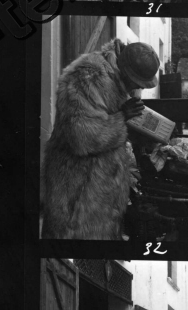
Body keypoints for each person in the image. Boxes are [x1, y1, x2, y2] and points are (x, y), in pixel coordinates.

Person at [42, 39, 161, 240]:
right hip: (78, 190)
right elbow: (82, 138)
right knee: (71, 244)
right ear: (125, 70)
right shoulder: (88, 76)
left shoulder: (115, 76)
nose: (136, 88)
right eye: (136, 82)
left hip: (100, 190)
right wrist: (123, 116)